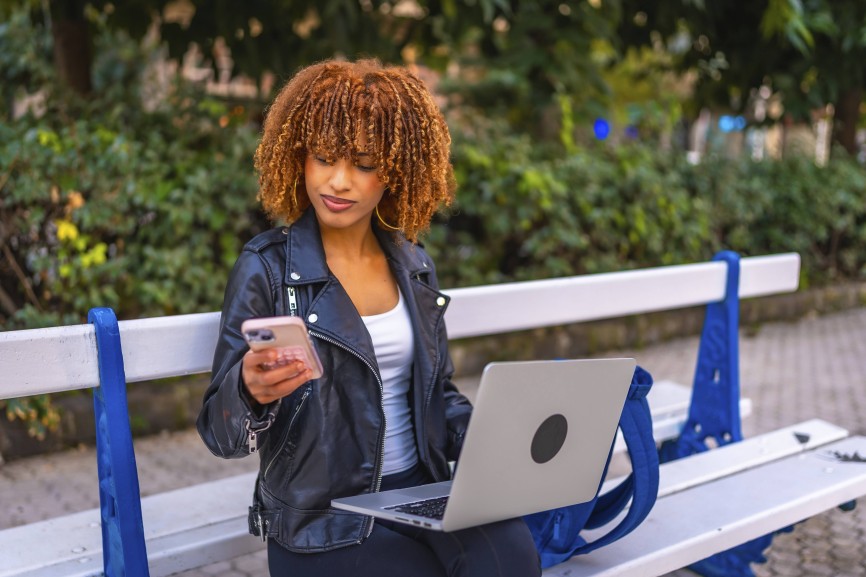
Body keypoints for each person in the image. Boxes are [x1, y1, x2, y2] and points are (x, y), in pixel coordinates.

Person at [196, 59, 541, 577]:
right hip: (323, 520)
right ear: (299, 159)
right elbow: (218, 434)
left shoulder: (414, 265)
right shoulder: (266, 266)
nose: (339, 181)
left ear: (396, 171)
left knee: (514, 559)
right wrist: (248, 391)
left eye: (362, 162)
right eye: (323, 158)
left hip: (419, 492)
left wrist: (492, 441)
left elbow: (438, 395)